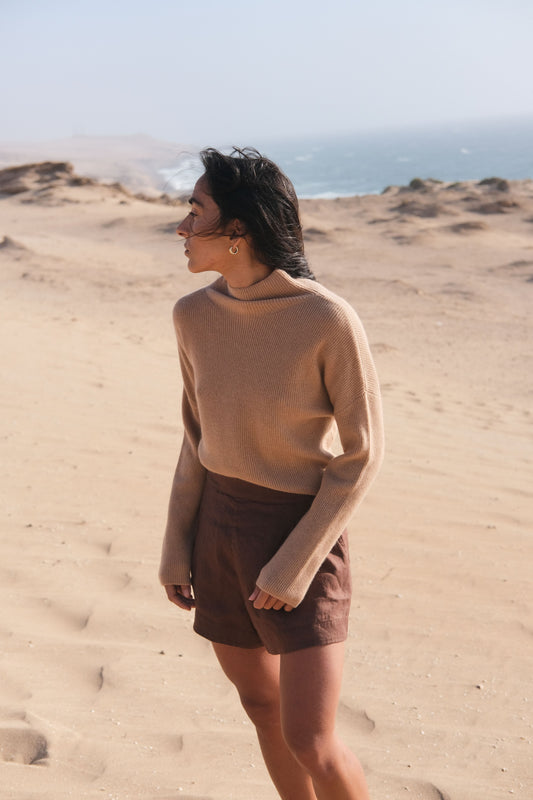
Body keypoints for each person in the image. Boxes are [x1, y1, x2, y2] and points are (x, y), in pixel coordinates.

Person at [159, 147, 384, 800]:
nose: (181, 228)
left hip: (299, 536)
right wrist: (177, 547)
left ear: (237, 232)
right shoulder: (192, 315)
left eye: (194, 212)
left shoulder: (325, 318)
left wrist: (295, 563)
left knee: (309, 738)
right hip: (218, 530)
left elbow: (361, 454)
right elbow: (195, 439)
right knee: (260, 709)